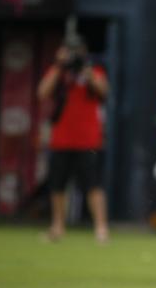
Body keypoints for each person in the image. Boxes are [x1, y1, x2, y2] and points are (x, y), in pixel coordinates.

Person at [37, 34, 110, 243]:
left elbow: (104, 90)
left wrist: (87, 74)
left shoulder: (93, 71)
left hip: (88, 140)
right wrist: (59, 66)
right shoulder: (59, 72)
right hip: (61, 139)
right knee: (57, 185)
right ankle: (57, 226)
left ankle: (101, 228)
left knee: (93, 185)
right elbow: (42, 92)